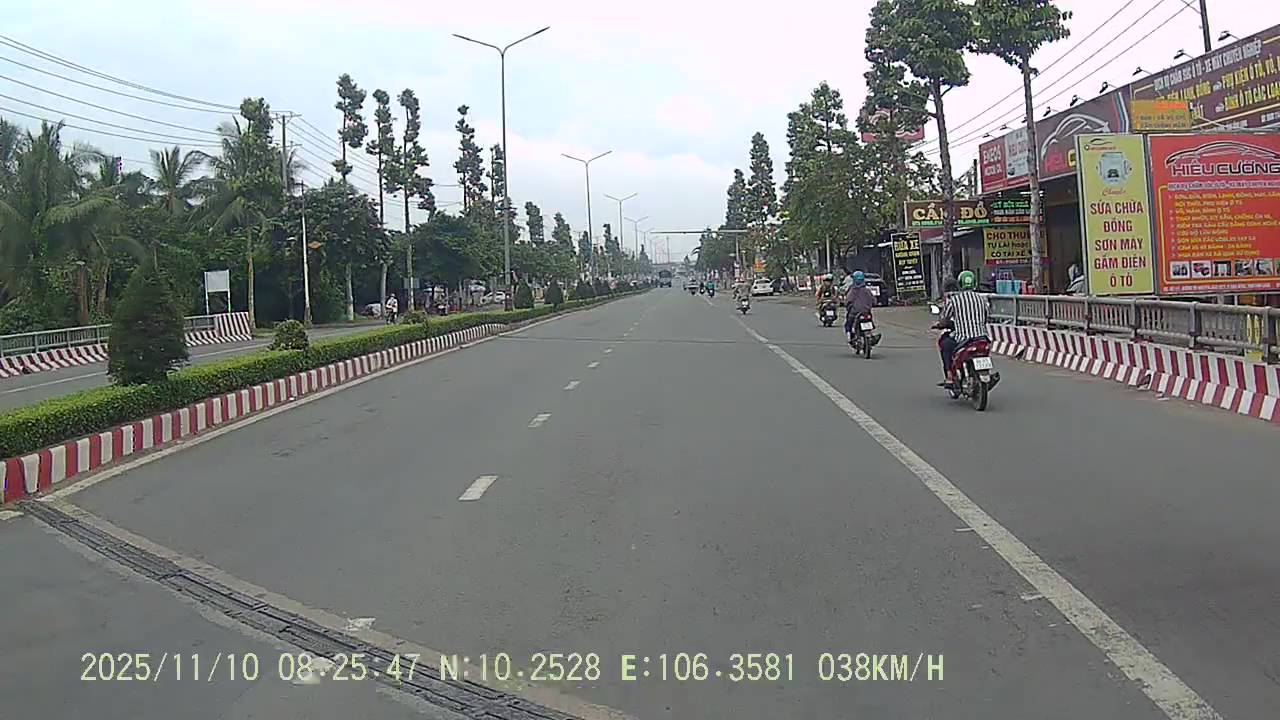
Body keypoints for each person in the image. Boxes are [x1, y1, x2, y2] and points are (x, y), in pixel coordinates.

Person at [935, 270, 990, 386]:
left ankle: (950, 376)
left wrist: (940, 324)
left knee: (945, 344)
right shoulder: (982, 299)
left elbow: (945, 318)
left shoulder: (955, 300)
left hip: (963, 339)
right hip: (982, 337)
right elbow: (986, 317)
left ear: (959, 284)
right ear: (974, 283)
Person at [844, 270, 877, 344]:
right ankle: (871, 335)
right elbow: (874, 301)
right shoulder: (867, 290)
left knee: (848, 323)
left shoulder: (852, 290)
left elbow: (848, 301)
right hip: (866, 312)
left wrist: (847, 305)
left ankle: (850, 336)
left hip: (855, 313)